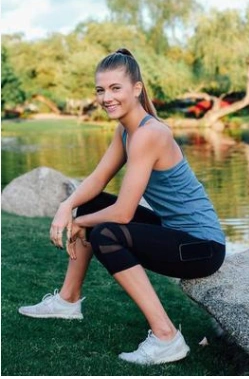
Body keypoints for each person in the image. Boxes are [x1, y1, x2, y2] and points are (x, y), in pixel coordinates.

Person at [19, 48, 226, 365]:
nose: (106, 97)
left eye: (115, 88)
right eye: (101, 89)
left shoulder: (150, 134)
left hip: (202, 247)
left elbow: (124, 213)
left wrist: (83, 220)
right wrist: (68, 205)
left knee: (106, 233)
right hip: (176, 232)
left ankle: (166, 336)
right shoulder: (127, 131)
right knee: (90, 203)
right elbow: (99, 178)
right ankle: (67, 300)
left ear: (137, 89)